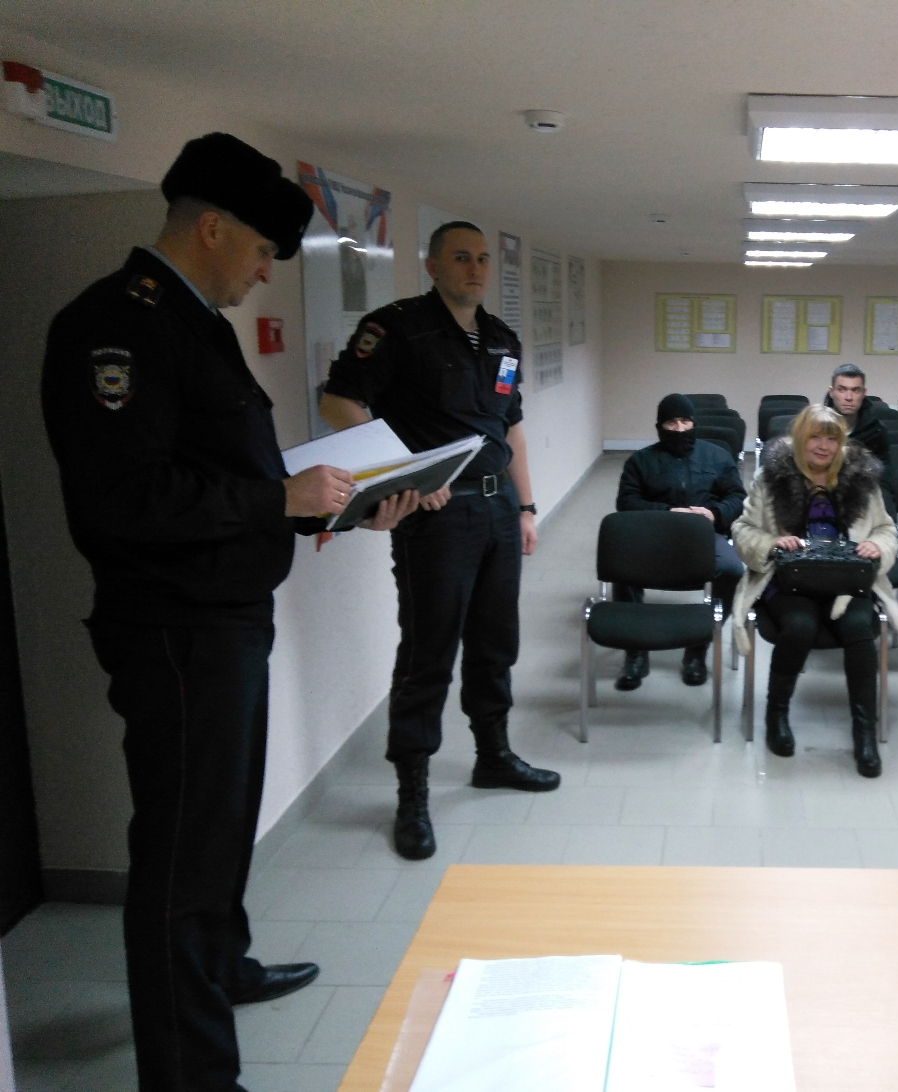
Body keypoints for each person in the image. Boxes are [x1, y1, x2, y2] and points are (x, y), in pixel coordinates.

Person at [41, 133, 419, 1092]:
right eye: (259, 252)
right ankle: (191, 1075)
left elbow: (226, 473)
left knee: (218, 831)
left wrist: (339, 504)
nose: (264, 274)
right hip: (175, 630)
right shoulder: (116, 327)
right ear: (211, 228)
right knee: (182, 854)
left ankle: (223, 967)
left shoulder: (195, 321)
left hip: (225, 618)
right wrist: (277, 499)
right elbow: (123, 498)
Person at [319, 220, 560, 864]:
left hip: (499, 510)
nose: (475, 269)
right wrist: (404, 478)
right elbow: (339, 402)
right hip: (438, 516)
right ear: (432, 265)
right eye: (461, 258)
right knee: (428, 653)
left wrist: (527, 507)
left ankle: (493, 755)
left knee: (495, 641)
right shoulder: (397, 328)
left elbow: (511, 430)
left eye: (482, 259)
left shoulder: (501, 338)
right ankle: (413, 793)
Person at [730, 404, 898, 777]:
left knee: (859, 626)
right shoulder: (771, 478)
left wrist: (877, 546)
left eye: (832, 439)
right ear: (799, 438)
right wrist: (772, 542)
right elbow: (743, 530)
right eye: (815, 437)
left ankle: (864, 731)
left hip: (846, 581)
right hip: (789, 579)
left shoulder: (860, 478)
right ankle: (777, 713)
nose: (824, 446)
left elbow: (887, 529)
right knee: (800, 625)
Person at [614, 393, 746, 689]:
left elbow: (737, 497)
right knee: (621, 568)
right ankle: (636, 651)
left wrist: (714, 513)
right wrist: (666, 512)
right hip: (653, 536)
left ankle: (698, 647)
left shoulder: (717, 457)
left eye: (686, 421)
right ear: (660, 426)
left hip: (704, 536)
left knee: (733, 571)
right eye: (671, 423)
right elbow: (626, 502)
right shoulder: (640, 461)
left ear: (694, 423)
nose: (680, 428)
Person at [823, 363, 891, 461]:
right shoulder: (815, 427)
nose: (849, 397)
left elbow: (884, 468)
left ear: (863, 393)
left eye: (856, 390)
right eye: (841, 390)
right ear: (831, 392)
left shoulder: (876, 431)